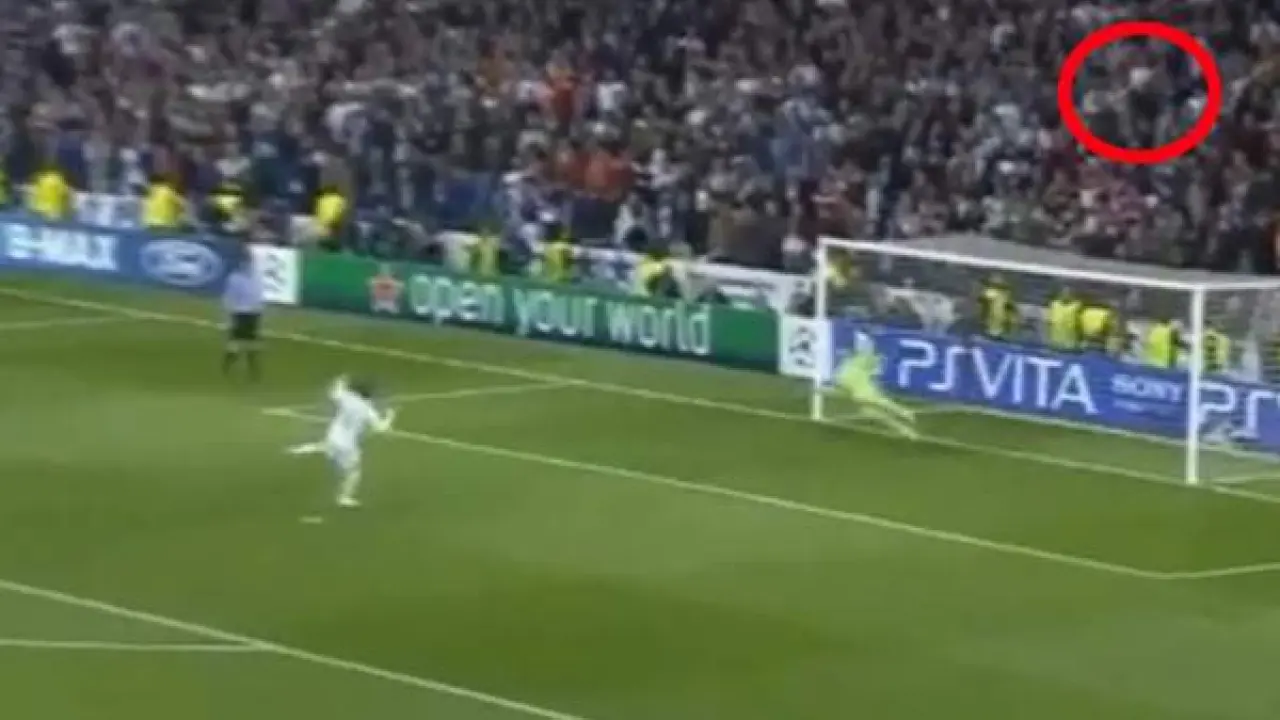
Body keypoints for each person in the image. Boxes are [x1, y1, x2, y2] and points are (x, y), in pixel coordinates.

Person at [287, 376, 397, 508]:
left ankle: (300, 450)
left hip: (333, 436)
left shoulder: (347, 397)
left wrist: (340, 381)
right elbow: (381, 428)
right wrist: (390, 416)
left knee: (326, 446)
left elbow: (333, 392)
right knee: (353, 472)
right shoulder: (368, 409)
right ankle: (344, 498)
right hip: (347, 445)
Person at [832, 332, 918, 439]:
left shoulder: (858, 361)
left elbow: (871, 370)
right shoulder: (854, 362)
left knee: (876, 406)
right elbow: (873, 371)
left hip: (861, 390)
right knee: (874, 410)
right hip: (859, 389)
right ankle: (904, 426)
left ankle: (904, 415)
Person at [221, 248, 265, 380]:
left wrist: (228, 310)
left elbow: (230, 296)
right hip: (245, 311)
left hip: (247, 311)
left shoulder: (238, 277)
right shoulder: (244, 277)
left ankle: (232, 365)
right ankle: (239, 366)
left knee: (243, 340)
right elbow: (231, 296)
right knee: (243, 340)